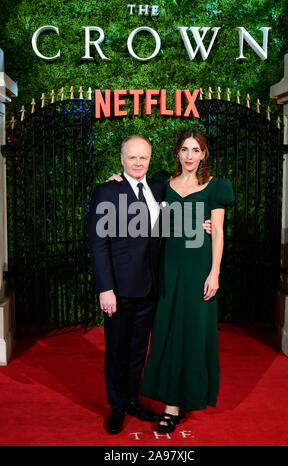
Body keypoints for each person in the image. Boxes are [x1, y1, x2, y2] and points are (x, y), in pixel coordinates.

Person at [88, 133, 214, 434]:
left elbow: (178, 215)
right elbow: (97, 243)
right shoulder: (107, 191)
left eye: (143, 157)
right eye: (132, 157)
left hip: (150, 286)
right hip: (118, 288)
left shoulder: (158, 187)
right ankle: (117, 406)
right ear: (122, 160)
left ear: (150, 159)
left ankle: (132, 399)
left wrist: (203, 223)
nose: (137, 162)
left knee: (137, 349)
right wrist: (105, 288)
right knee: (116, 350)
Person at [140, 129, 235, 433]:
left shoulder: (215, 187)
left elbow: (218, 231)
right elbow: (135, 187)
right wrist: (117, 178)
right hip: (169, 267)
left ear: (204, 154)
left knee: (194, 334)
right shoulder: (162, 183)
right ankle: (170, 403)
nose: (190, 156)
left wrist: (215, 272)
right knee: (167, 332)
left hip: (199, 269)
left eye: (196, 150)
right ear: (177, 153)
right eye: (185, 149)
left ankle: (187, 398)